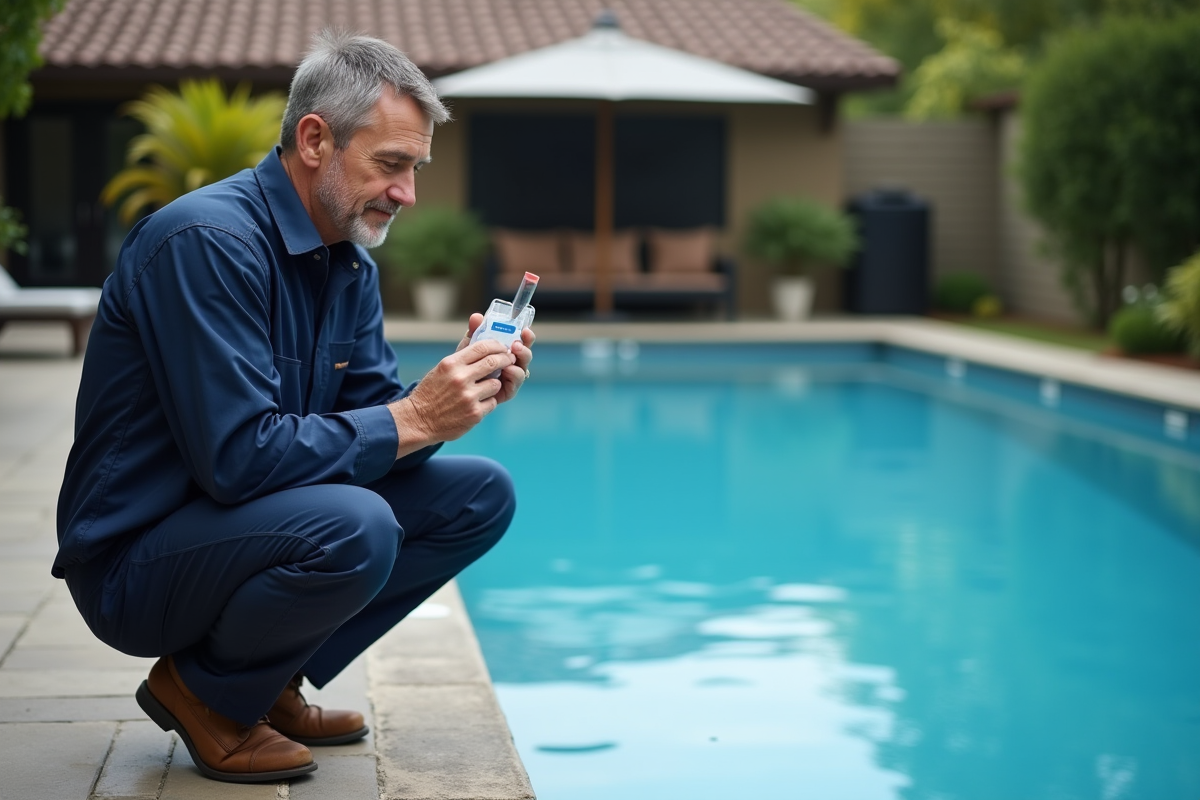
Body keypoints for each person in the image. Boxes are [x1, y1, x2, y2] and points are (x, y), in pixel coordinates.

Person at [53, 30, 533, 784]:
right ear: (315, 139)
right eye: (392, 164)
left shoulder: (348, 264)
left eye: (415, 168)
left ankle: (265, 681)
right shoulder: (205, 242)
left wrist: (453, 405)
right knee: (357, 525)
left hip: (241, 530)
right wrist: (414, 418)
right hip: (135, 566)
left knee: (479, 496)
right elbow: (238, 459)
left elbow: (380, 432)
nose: (408, 193)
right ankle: (205, 694)